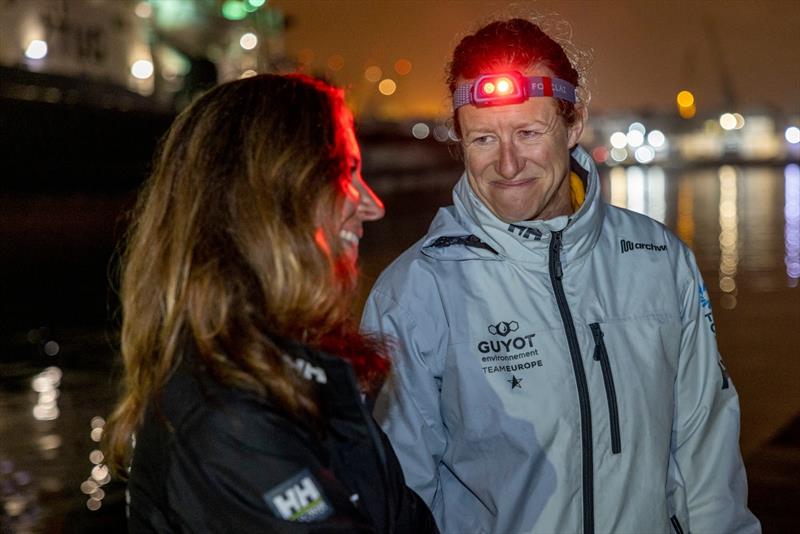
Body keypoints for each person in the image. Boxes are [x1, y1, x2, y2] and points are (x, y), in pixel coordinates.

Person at [361, 18, 760, 534]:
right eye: (483, 139)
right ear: (458, 141)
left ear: (573, 125)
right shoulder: (414, 290)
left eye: (529, 132)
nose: (507, 164)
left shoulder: (660, 258)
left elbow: (706, 458)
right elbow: (398, 497)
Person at [103, 73, 437, 533]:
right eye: (345, 173)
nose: (372, 203)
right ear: (271, 201)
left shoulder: (299, 374)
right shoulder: (227, 421)